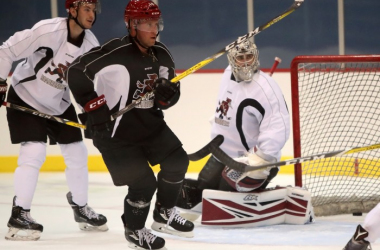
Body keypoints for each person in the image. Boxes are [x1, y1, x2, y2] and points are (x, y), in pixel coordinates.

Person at [65, 0, 194, 249]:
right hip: (114, 132)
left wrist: (169, 95)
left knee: (177, 161)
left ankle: (164, 212)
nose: (154, 30)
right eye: (147, 24)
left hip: (149, 124)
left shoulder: (162, 53)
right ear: (132, 26)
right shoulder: (115, 52)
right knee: (143, 184)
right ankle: (134, 231)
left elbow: (169, 93)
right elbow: (76, 71)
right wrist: (95, 108)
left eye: (156, 24)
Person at [0, 0, 108, 241]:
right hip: (26, 96)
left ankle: (81, 208)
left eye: (94, 10)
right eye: (86, 9)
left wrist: (92, 114)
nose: (92, 15)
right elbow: (6, 50)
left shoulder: (91, 45)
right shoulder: (48, 30)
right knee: (34, 151)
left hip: (59, 102)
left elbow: (86, 85)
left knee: (77, 152)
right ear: (72, 10)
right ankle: (19, 213)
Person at [176, 40, 290, 209]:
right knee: (203, 190)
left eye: (249, 57)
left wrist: (261, 160)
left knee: (223, 200)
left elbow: (278, 127)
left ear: (256, 57)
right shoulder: (227, 74)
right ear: (232, 60)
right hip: (222, 154)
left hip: (248, 161)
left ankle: (264, 197)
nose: (245, 62)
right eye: (240, 58)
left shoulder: (266, 89)